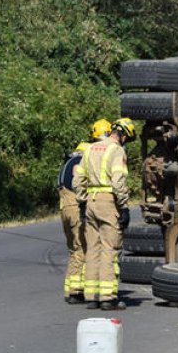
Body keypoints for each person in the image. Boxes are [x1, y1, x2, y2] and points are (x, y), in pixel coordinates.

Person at [73, 117, 135, 310]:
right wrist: (124, 206)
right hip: (108, 201)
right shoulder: (116, 150)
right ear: (124, 135)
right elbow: (118, 181)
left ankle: (91, 296)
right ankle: (107, 298)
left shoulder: (90, 148)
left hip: (90, 201)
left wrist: (82, 201)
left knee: (92, 249)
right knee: (109, 249)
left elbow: (78, 178)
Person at [56, 119, 113, 304]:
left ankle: (72, 288)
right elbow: (79, 182)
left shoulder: (68, 162)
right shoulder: (79, 161)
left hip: (64, 208)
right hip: (74, 207)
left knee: (74, 249)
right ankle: (75, 291)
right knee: (83, 247)